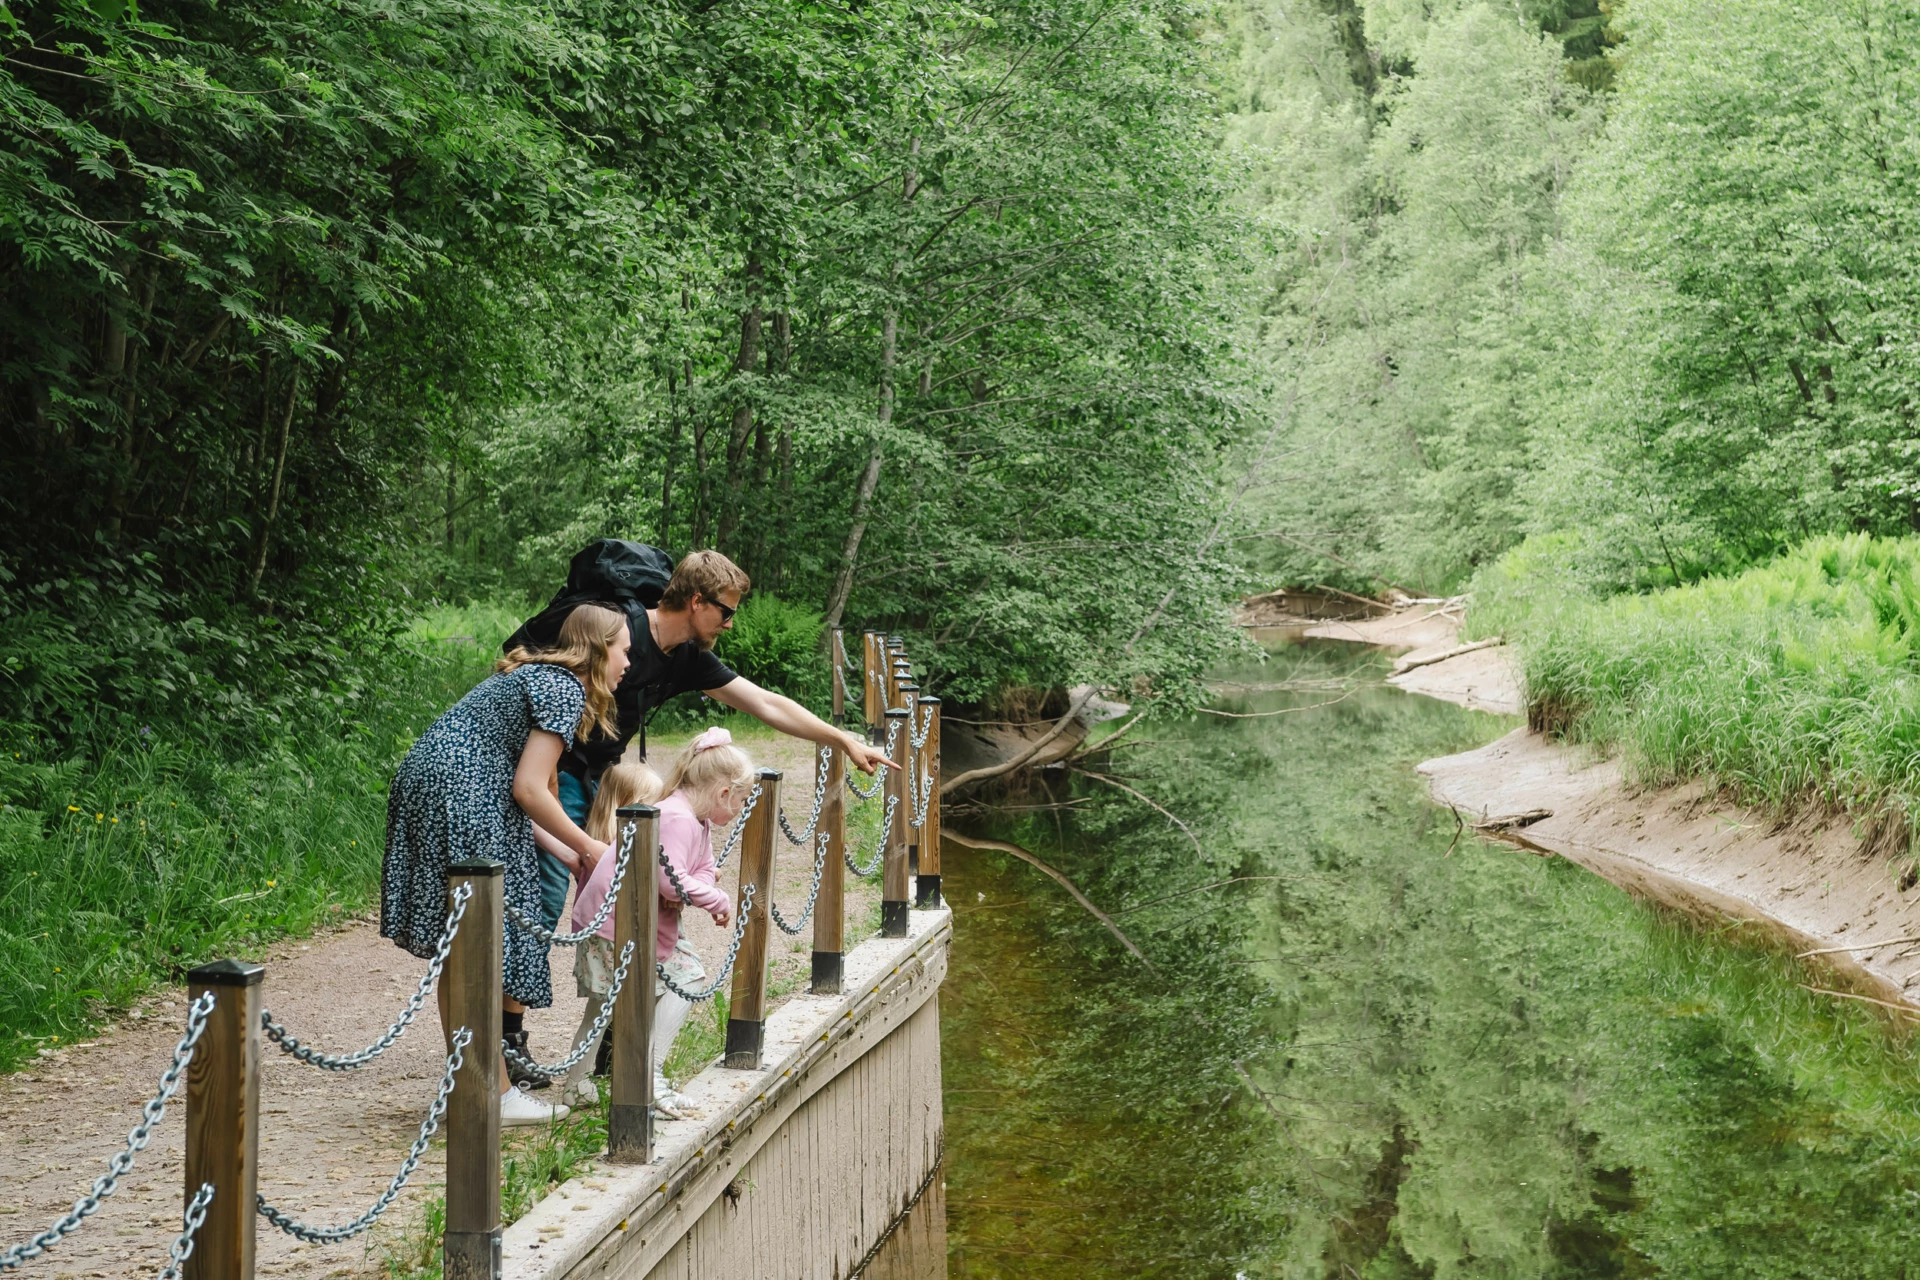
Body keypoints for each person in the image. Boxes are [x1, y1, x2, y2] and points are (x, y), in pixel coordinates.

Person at [507, 549, 887, 934]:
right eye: (727, 612)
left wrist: (842, 740)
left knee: (627, 888)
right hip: (556, 771)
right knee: (549, 890)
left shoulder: (686, 658)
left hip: (605, 777)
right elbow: (542, 689)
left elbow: (766, 703)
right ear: (696, 601)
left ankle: (614, 986)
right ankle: (516, 986)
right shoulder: (620, 632)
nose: (730, 625)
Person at [382, 604, 631, 1127]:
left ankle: (472, 1087)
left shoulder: (540, 677)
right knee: (478, 940)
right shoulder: (565, 688)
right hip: (461, 791)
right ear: (599, 649)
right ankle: (489, 1092)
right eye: (625, 650)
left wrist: (568, 851)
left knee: (463, 943)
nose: (629, 662)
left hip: (439, 782)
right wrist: (592, 848)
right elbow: (529, 789)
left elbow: (517, 787)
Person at [559, 729, 749, 1118]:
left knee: (604, 1006)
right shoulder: (679, 818)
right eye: (741, 801)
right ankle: (649, 1073)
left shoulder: (697, 819)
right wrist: (717, 899)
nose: (740, 811)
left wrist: (700, 885)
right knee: (684, 978)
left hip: (636, 920)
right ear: (723, 793)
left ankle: (578, 1084)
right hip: (617, 921)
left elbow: (703, 869)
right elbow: (672, 881)